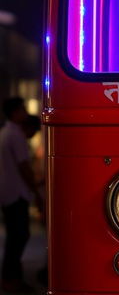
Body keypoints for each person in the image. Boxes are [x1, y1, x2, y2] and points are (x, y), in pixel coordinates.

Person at [0, 97, 42, 293]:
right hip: (17, 192)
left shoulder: (6, 132)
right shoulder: (15, 134)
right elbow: (23, 166)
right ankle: (11, 278)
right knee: (19, 236)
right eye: (22, 110)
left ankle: (12, 277)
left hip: (8, 191)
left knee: (15, 236)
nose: (25, 113)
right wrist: (34, 188)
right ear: (15, 112)